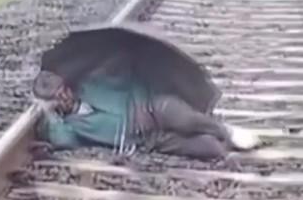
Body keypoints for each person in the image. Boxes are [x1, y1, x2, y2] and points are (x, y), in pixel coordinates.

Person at [33, 69, 256, 167]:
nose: (64, 97)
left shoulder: (91, 84)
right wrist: (49, 113)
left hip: (151, 107)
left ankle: (225, 130)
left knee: (185, 120)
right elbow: (63, 141)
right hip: (147, 140)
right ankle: (220, 139)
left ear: (67, 85)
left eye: (64, 90)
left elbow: (131, 81)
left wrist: (140, 104)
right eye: (57, 98)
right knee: (211, 149)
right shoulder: (69, 125)